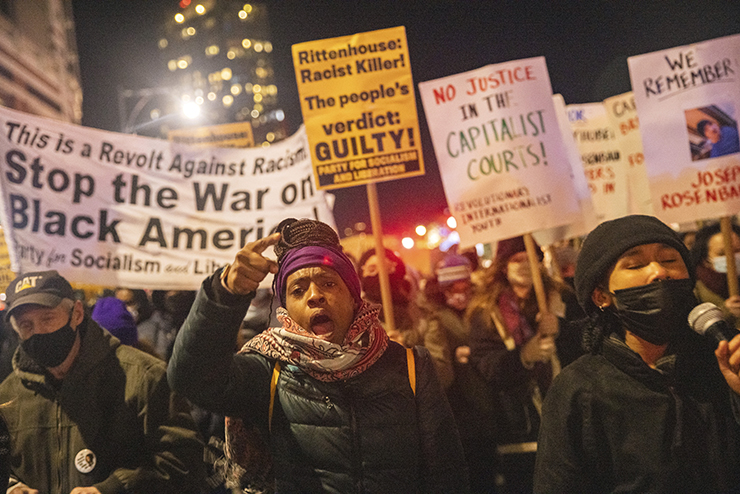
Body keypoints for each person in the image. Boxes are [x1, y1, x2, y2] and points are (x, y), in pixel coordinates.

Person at [168, 218, 469, 493]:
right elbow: (190, 378)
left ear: (353, 295)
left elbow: (446, 474)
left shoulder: (410, 366)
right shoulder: (269, 372)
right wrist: (226, 293)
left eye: (328, 282)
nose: (314, 295)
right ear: (285, 310)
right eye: (298, 290)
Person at [534, 214, 740, 493]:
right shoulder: (580, 389)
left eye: (669, 260)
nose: (659, 272)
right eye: (635, 265)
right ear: (601, 296)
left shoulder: (722, 365)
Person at [0, 270, 204, 493]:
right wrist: (11, 486)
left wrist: (112, 489)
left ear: (77, 313)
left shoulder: (145, 377)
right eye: (26, 325)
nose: (38, 332)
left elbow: (183, 465)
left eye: (47, 319)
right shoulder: (8, 397)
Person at [467, 235, 582, 494]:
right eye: (516, 260)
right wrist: (523, 357)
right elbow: (486, 366)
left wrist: (561, 329)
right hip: (519, 429)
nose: (524, 265)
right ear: (503, 267)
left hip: (569, 419)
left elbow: (586, 344)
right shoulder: (486, 312)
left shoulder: (563, 298)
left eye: (529, 258)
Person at [422, 252, 498, 493]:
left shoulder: (483, 309)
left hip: (486, 401)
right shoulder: (435, 316)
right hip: (456, 406)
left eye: (465, 287)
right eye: (453, 287)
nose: (460, 293)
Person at [358, 247, 422, 348]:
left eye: (386, 269)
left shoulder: (421, 318)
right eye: (372, 270)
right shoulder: (353, 321)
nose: (379, 275)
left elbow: (438, 361)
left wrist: (406, 354)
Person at [690, 221, 740, 329]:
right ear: (706, 259)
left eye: (737, 250)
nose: (732, 257)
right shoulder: (696, 289)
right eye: (722, 253)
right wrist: (726, 312)